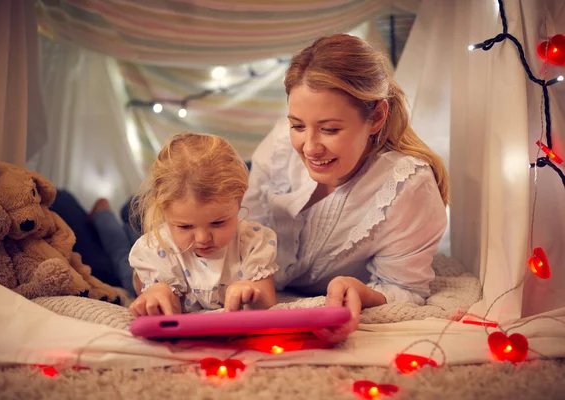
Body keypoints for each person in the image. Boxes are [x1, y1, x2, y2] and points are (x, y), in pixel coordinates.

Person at [243, 34, 449, 343]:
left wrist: (364, 293)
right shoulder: (280, 146)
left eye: (329, 129)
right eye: (298, 125)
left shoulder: (408, 186)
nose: (309, 147)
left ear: (377, 117)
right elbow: (240, 235)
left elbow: (406, 289)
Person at [128, 133, 279, 316]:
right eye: (185, 227)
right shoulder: (155, 250)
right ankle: (102, 216)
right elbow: (170, 315)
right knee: (117, 252)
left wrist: (252, 292)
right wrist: (158, 294)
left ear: (239, 199)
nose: (203, 239)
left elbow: (268, 306)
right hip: (144, 262)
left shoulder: (252, 242)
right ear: (163, 209)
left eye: (218, 223)